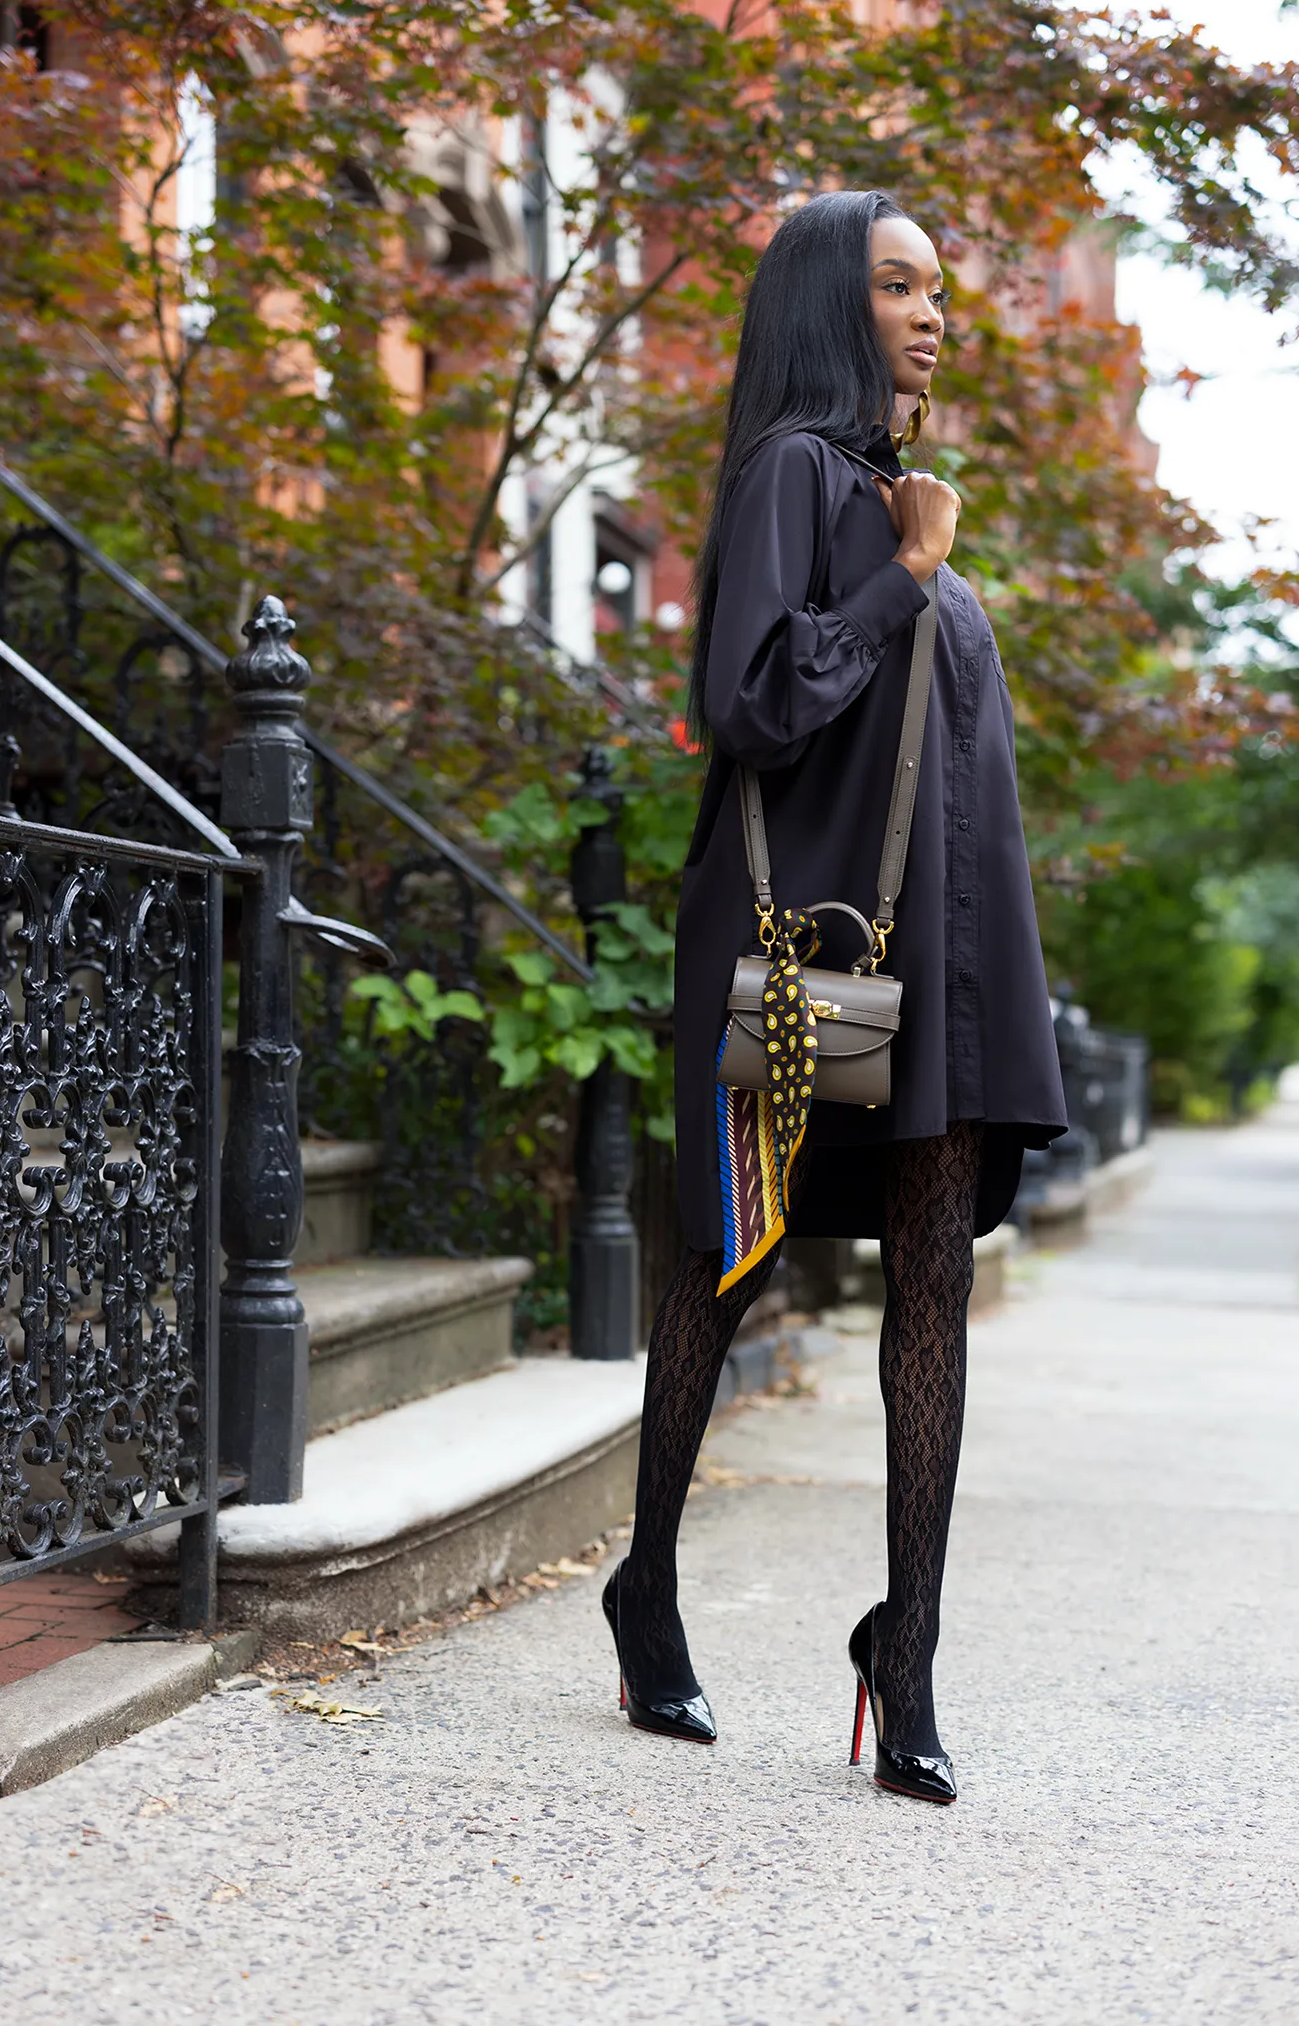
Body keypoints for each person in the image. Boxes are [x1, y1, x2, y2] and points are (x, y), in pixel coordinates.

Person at [602, 190, 1066, 1804]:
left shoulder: (898, 492)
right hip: (798, 955)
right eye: (898, 285)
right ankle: (646, 1587)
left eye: (941, 287)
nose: (935, 313)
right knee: (730, 1268)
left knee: (932, 1285)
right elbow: (749, 698)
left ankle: (910, 1651)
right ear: (826, 303)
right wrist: (904, 576)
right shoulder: (796, 475)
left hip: (930, 964)